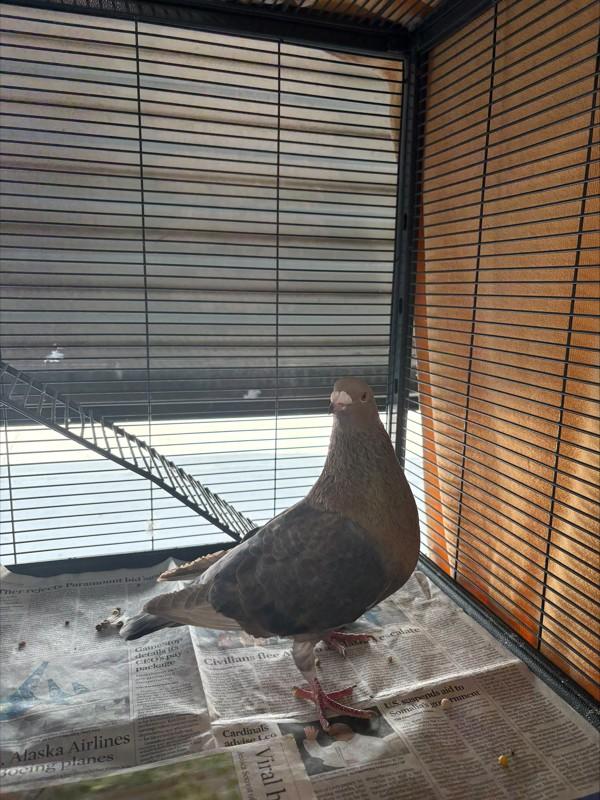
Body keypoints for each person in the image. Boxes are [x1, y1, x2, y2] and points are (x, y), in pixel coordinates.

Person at [302, 722, 402, 768]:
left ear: (336, 736)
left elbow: (321, 755)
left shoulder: (340, 746)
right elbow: (323, 755)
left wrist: (312, 741)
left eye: (332, 737)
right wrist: (311, 741)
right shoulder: (376, 740)